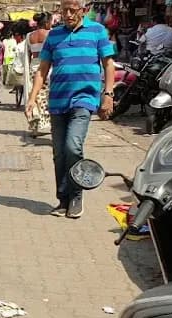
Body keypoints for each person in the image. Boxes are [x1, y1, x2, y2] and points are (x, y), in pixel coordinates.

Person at [26, 0, 115, 219]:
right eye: (64, 10)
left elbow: (108, 64)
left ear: (83, 11)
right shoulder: (54, 35)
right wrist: (32, 97)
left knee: (72, 146)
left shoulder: (98, 31)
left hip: (84, 99)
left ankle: (76, 195)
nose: (68, 14)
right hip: (57, 101)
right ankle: (63, 199)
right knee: (59, 153)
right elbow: (42, 69)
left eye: (72, 10)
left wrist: (108, 94)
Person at [24, 12, 52, 136]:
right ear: (47, 22)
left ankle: (34, 129)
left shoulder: (29, 35)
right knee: (47, 98)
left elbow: (27, 54)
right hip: (47, 68)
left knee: (34, 97)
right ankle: (52, 126)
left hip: (33, 67)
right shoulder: (50, 34)